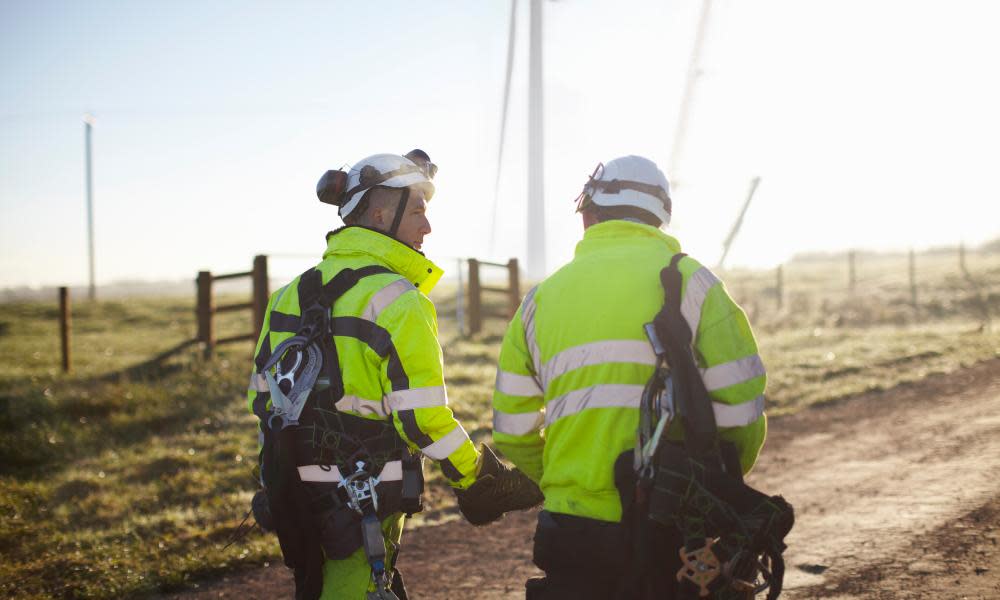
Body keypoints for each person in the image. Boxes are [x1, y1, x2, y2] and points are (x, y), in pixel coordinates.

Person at [248, 150, 541, 600]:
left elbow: (263, 399)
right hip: (360, 503)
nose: (427, 227)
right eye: (419, 211)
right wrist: (478, 478)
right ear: (382, 214)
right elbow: (422, 419)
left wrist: (285, 474)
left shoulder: (288, 293)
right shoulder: (399, 300)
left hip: (293, 495)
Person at [490, 155, 768, 599]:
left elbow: (511, 427)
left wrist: (563, 479)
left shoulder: (539, 301)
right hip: (673, 524)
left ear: (589, 214)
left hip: (570, 525)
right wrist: (712, 489)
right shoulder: (696, 286)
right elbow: (741, 412)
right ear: (661, 217)